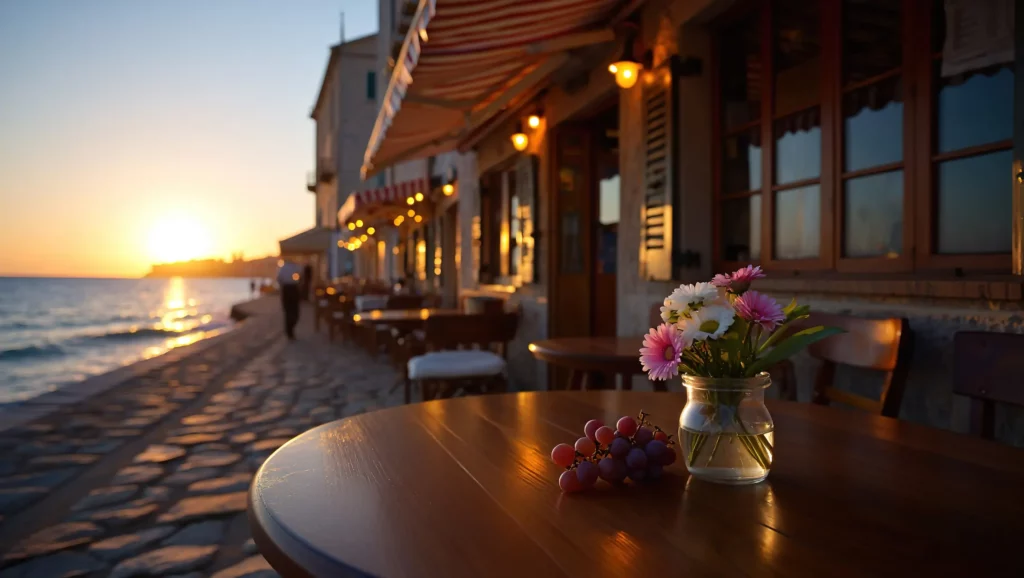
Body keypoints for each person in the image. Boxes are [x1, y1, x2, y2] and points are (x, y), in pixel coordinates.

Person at [276, 260, 302, 340]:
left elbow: (279, 279)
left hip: (288, 289)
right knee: (292, 311)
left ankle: (289, 329)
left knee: (289, 311)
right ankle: (289, 331)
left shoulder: (285, 268)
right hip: (291, 289)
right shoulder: (293, 267)